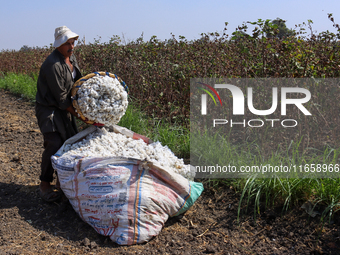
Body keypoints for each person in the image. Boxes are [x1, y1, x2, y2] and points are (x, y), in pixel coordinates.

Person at [35, 26, 88, 202]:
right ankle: (44, 183)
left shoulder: (70, 59)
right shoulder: (53, 65)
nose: (71, 47)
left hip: (63, 107)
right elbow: (61, 99)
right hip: (49, 108)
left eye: (73, 43)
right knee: (54, 143)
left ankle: (61, 182)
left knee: (70, 143)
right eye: (67, 44)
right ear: (59, 45)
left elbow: (79, 83)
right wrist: (82, 116)